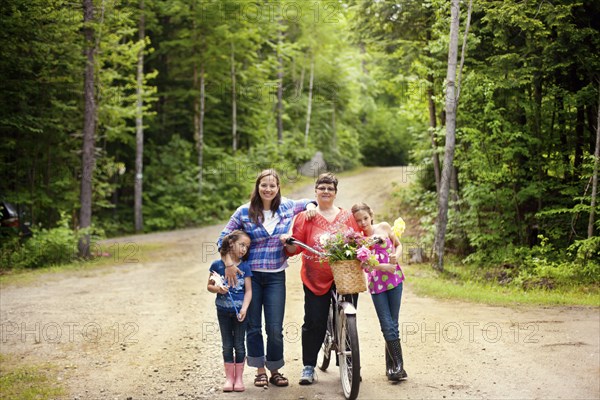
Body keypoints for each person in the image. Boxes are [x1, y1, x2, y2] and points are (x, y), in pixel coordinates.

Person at [217, 169, 316, 388]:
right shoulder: (244, 212)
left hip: (275, 277)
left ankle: (275, 369)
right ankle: (259, 370)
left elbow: (309, 201)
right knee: (253, 326)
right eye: (264, 185)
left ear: (278, 188)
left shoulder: (287, 206)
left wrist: (310, 207)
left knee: (274, 327)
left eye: (272, 185)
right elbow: (222, 239)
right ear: (257, 186)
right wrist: (229, 263)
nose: (268, 189)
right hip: (250, 278)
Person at [282, 172, 361, 385]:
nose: (326, 191)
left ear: (335, 193)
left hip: (344, 275)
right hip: (315, 277)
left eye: (330, 188)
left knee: (349, 318)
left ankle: (351, 363)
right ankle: (308, 365)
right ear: (316, 191)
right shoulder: (306, 217)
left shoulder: (346, 216)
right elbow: (294, 247)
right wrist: (288, 241)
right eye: (322, 187)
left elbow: (358, 241)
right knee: (314, 321)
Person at [351, 202, 407, 381]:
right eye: (359, 221)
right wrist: (385, 266)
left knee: (393, 323)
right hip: (377, 286)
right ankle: (400, 367)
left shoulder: (383, 227)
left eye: (365, 218)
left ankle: (391, 367)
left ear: (371, 215)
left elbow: (398, 245)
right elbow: (365, 266)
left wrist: (395, 258)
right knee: (386, 324)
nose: (363, 223)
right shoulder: (358, 240)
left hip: (395, 281)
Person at [207, 230, 253, 392]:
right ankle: (229, 379)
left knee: (239, 345)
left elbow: (248, 291)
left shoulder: (246, 266)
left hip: (240, 313)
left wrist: (245, 309)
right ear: (231, 243)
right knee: (227, 345)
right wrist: (218, 289)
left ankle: (239, 379)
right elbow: (210, 286)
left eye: (247, 247)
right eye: (242, 245)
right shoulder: (217, 265)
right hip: (223, 312)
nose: (244, 249)